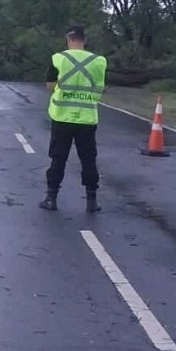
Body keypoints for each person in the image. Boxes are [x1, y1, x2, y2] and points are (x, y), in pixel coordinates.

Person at [41, 26, 108, 213]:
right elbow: (100, 89)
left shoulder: (58, 59)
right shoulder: (98, 62)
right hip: (87, 119)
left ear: (68, 39)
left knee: (58, 158)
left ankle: (51, 198)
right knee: (88, 159)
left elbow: (50, 86)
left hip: (62, 117)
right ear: (84, 40)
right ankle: (91, 201)